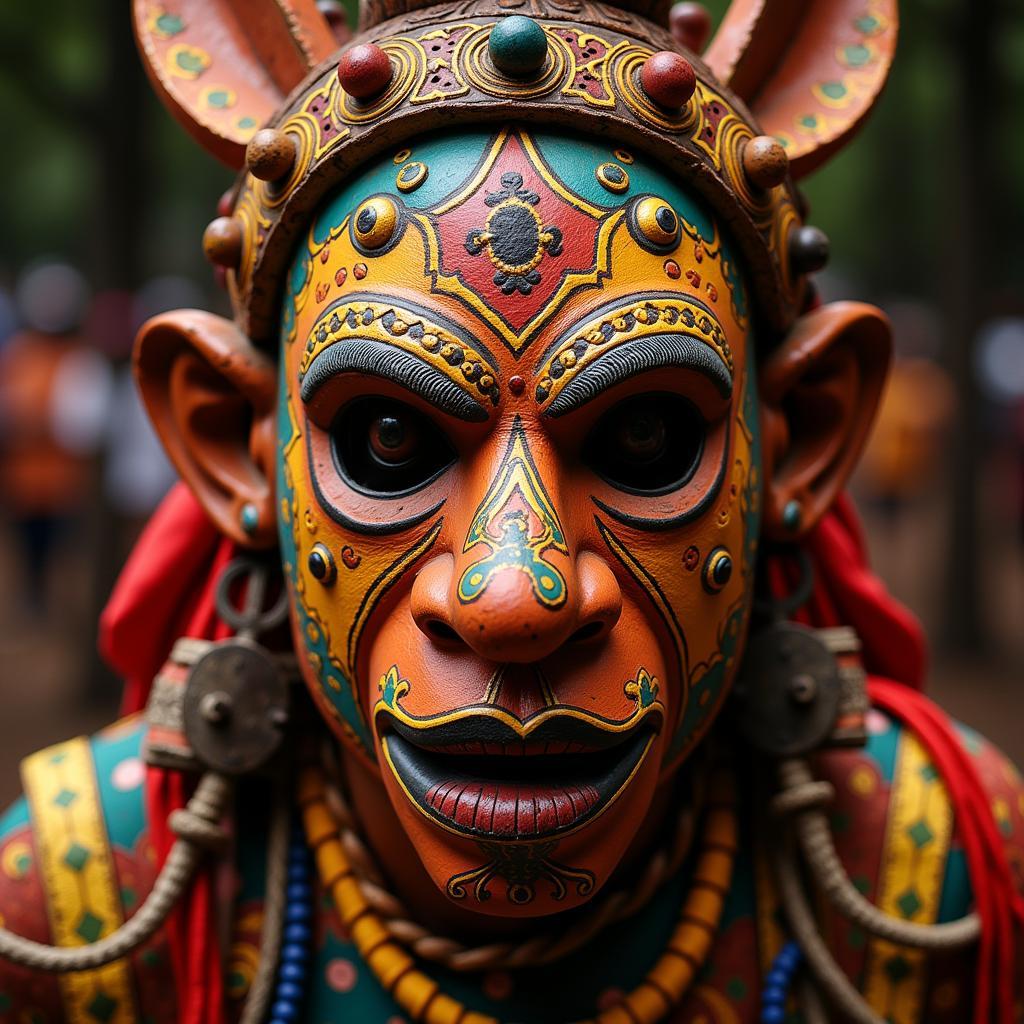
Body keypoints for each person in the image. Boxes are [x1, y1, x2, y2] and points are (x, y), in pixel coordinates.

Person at [0, 1, 1021, 1021]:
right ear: (232, 451)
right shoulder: (77, 902)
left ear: (800, 439)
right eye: (387, 441)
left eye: (646, 441)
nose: (513, 596)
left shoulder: (932, 868)